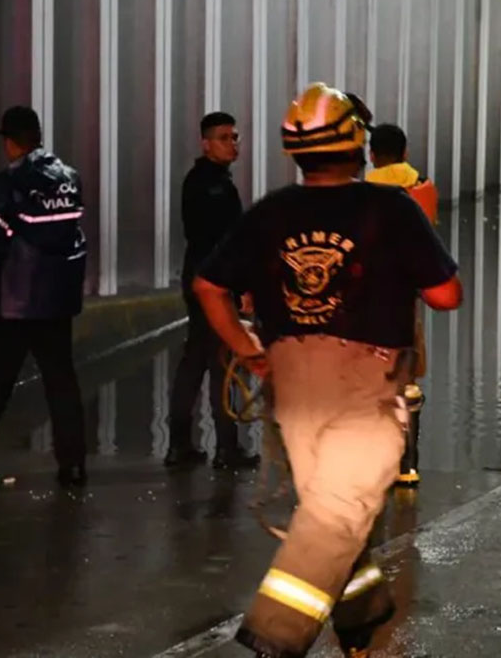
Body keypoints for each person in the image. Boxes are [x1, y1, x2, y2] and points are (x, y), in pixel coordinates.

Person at [192, 82, 462, 657]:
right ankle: (275, 635)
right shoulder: (390, 209)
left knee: (332, 509)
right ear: (357, 143)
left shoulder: (270, 213)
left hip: (290, 388)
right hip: (366, 387)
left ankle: (362, 618)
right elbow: (445, 295)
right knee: (339, 514)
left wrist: (248, 350)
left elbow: (209, 285)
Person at [0, 106, 88, 488]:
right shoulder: (69, 180)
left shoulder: (5, 186)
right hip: (56, 304)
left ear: (10, 142)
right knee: (62, 383)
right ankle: (73, 466)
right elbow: (73, 238)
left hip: (14, 303)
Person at [163, 111, 259, 470]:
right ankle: (226, 448)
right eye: (224, 137)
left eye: (235, 137)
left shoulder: (201, 180)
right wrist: (242, 285)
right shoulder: (214, 185)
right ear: (206, 143)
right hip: (215, 283)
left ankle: (182, 444)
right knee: (221, 361)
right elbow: (225, 241)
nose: (233, 144)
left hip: (201, 278)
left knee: (196, 360)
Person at [364, 123, 438, 487]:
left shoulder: (358, 193)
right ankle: (406, 465)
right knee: (407, 380)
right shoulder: (421, 187)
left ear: (371, 155)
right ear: (406, 152)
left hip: (364, 301)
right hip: (405, 299)